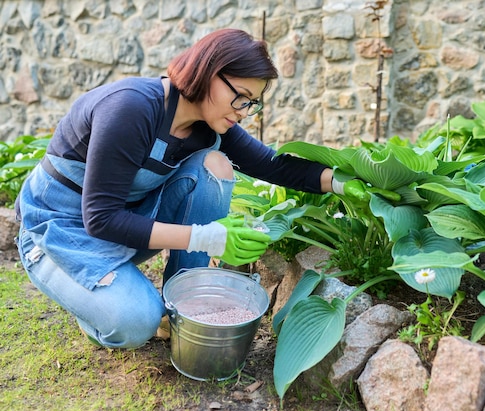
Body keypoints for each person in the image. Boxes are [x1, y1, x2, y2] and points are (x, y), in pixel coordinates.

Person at [15, 28, 345, 349]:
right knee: (136, 322)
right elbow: (101, 219)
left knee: (214, 165)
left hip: (123, 228)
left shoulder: (210, 122)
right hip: (57, 230)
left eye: (252, 103)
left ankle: (184, 305)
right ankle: (97, 308)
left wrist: (344, 182)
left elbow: (273, 165)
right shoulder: (130, 109)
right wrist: (207, 237)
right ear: (209, 73)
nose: (245, 112)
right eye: (241, 96)